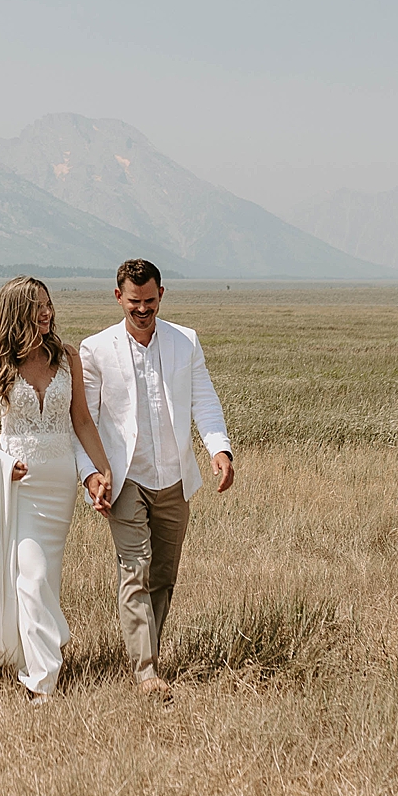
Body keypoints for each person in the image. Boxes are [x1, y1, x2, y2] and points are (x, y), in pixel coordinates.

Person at [73, 258, 234, 698]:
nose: (142, 310)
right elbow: (82, 421)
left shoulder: (186, 341)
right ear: (118, 297)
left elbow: (204, 401)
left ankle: (150, 655)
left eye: (149, 301)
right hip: (124, 478)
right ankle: (146, 673)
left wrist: (219, 449)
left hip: (175, 478)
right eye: (133, 302)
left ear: (161, 294)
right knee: (135, 569)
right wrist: (90, 475)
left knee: (163, 575)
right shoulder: (95, 349)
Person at [0, 276, 114, 700]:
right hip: (18, 483)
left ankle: (29, 655)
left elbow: (82, 420)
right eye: (37, 307)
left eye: (48, 304)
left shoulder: (67, 356)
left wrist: (103, 470)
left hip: (58, 484)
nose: (47, 313)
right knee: (32, 574)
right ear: (16, 313)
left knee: (44, 577)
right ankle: (43, 681)